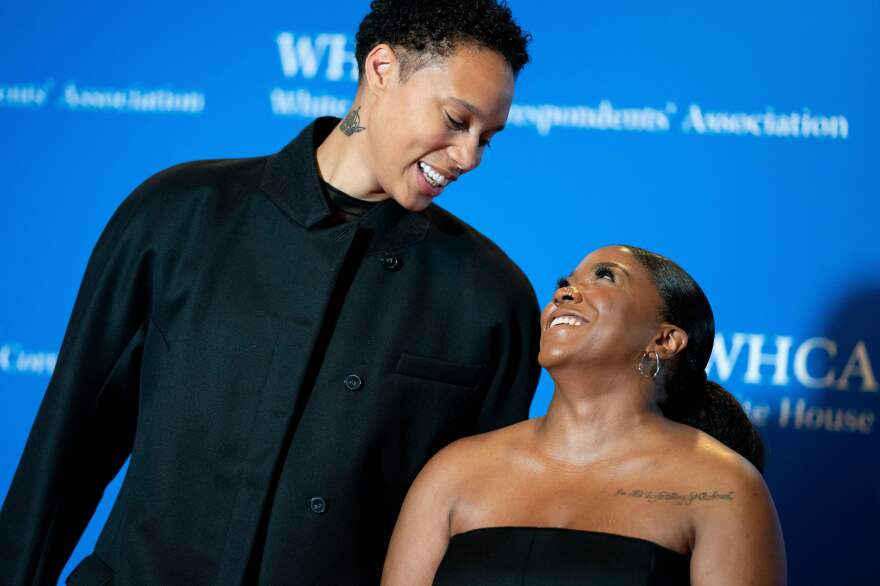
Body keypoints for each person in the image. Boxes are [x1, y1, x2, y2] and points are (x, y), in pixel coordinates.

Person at [0, 1, 540, 584]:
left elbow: (471, 541)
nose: (469, 157)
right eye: (457, 121)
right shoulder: (178, 215)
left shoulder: (492, 298)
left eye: (488, 137)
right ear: (381, 70)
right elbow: (69, 448)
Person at [382, 245, 787, 585]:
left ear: (664, 339)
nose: (565, 293)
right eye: (564, 284)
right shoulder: (454, 470)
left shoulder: (723, 489)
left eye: (605, 277)